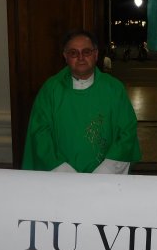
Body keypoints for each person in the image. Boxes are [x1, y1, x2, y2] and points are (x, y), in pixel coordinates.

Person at [22, 30, 141, 174]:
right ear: (65, 56)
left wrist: (106, 169)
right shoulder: (51, 89)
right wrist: (62, 169)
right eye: (73, 53)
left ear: (96, 54)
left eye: (86, 52)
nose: (80, 57)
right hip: (60, 175)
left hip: (104, 175)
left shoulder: (114, 89)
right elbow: (39, 131)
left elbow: (127, 130)